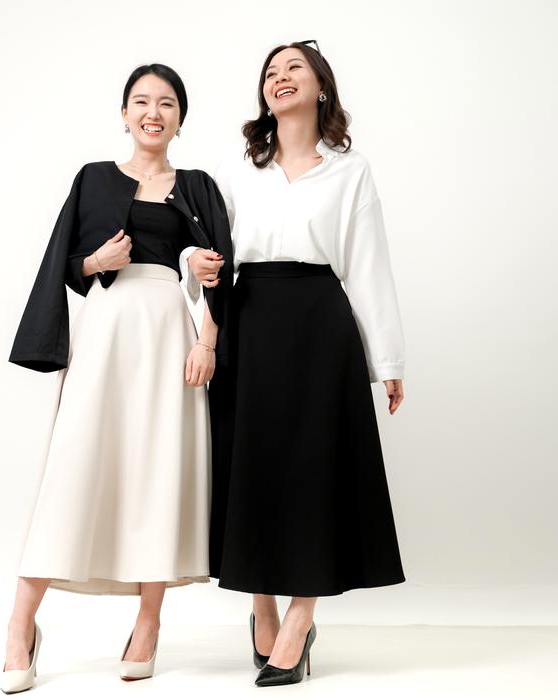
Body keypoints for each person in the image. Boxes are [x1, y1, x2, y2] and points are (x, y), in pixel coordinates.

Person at [1, 62, 232, 693]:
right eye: (142, 101)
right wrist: (95, 261)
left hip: (168, 333)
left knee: (159, 470)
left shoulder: (199, 187)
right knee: (73, 467)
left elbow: (222, 270)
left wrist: (207, 340)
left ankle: (148, 623)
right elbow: (63, 263)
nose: (154, 112)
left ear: (180, 118)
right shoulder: (93, 178)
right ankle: (20, 624)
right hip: (105, 331)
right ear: (124, 113)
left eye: (166, 103)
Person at [183, 40, 406, 687]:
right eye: (271, 72)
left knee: (314, 471)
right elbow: (201, 246)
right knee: (249, 465)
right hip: (248, 318)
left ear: (321, 86)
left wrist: (388, 357)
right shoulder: (238, 167)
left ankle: (301, 619)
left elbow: (368, 263)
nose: (280, 78)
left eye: (294, 69)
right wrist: (193, 265)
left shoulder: (349, 169)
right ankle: (262, 605)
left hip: (318, 324)